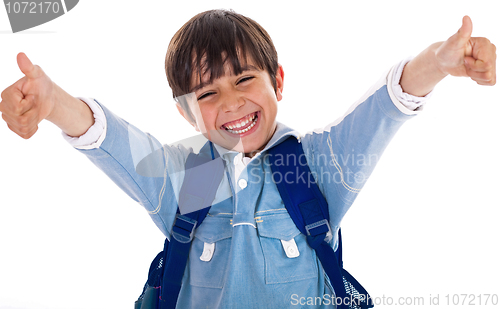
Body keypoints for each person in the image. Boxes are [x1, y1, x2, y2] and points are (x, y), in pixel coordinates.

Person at [0, 9, 496, 309]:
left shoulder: (316, 167)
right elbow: (113, 141)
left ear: (277, 80)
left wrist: (437, 64)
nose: (233, 103)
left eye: (244, 80)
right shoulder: (187, 176)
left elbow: (384, 109)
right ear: (186, 113)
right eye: (208, 93)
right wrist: (53, 103)